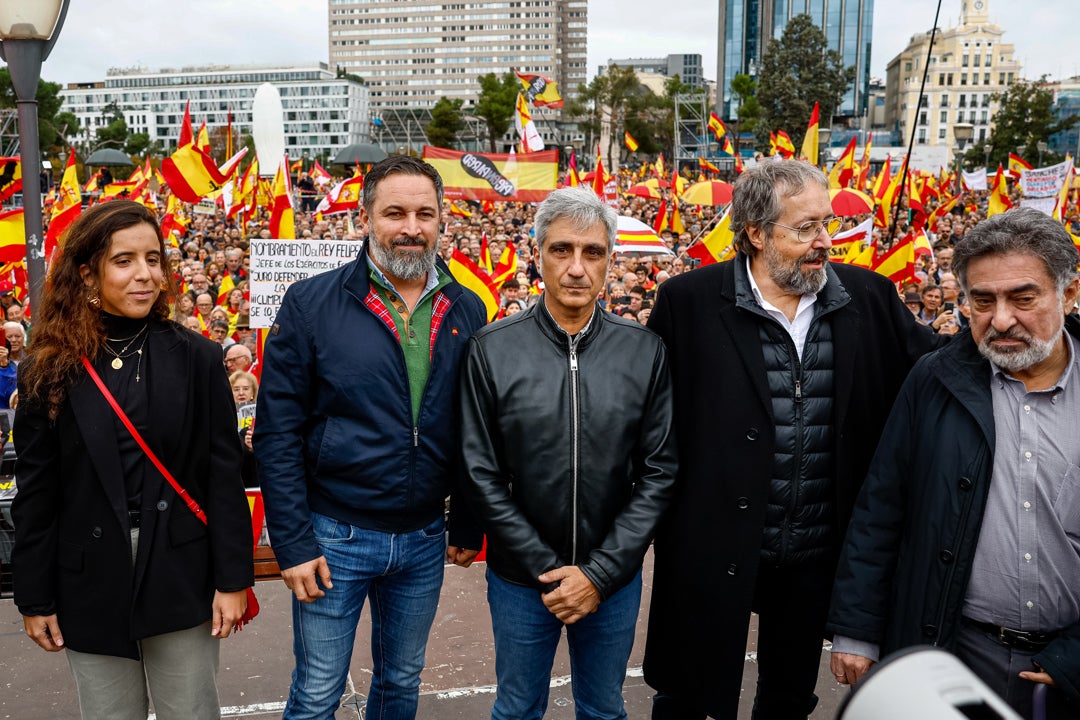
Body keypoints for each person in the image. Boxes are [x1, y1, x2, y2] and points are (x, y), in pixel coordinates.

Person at [643, 160, 942, 720]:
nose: (824, 242)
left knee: (787, 700)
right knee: (692, 697)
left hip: (814, 552)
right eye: (804, 229)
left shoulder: (869, 297)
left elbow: (941, 370)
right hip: (711, 547)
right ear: (755, 233)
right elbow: (645, 418)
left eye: (826, 225)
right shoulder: (687, 301)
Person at [254, 155, 487, 719]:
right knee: (316, 693)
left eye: (425, 213)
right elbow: (277, 432)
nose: (411, 227)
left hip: (425, 536)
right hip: (334, 536)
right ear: (365, 219)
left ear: (441, 221)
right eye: (395, 212)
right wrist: (294, 542)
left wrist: (469, 521)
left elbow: (477, 426)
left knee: (401, 684)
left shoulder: (468, 308)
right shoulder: (311, 303)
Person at [828, 208, 1080, 719]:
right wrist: (856, 629)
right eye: (982, 301)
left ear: (1069, 294)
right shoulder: (934, 380)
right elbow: (882, 506)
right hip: (954, 652)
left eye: (1023, 298)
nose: (1001, 319)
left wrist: (1074, 658)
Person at [11, 200, 253, 719]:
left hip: (181, 566)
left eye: (153, 259)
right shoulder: (47, 369)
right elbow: (37, 492)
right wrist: (33, 598)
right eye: (124, 260)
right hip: (89, 575)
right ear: (87, 274)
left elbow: (222, 477)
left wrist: (234, 579)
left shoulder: (198, 357)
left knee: (190, 711)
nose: (145, 275)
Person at [459, 187, 677, 720]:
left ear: (610, 260)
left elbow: (659, 472)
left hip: (613, 578)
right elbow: (480, 471)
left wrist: (599, 574)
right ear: (538, 254)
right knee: (515, 710)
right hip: (520, 580)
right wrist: (548, 569)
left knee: (603, 710)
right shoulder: (491, 348)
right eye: (562, 250)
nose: (577, 267)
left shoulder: (644, 350)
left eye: (593, 252)